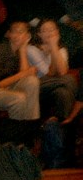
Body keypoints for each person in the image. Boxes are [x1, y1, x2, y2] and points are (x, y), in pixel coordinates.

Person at [29, 19, 79, 167]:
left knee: (63, 93)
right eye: (45, 30)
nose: (50, 33)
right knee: (69, 80)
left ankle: (60, 126)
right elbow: (49, 74)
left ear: (58, 32)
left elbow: (61, 72)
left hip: (55, 92)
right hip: (37, 89)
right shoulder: (32, 49)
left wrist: (54, 48)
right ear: (38, 34)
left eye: (53, 29)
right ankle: (65, 148)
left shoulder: (61, 49)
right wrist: (52, 47)